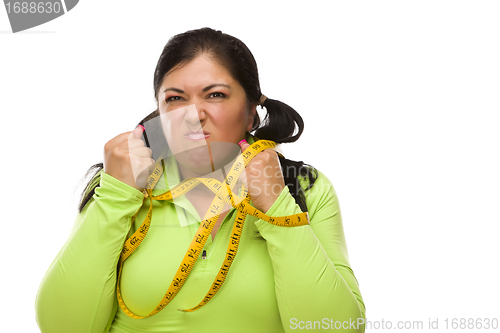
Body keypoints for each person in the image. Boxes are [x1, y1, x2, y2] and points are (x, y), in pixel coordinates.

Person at [35, 27, 366, 333]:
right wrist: (116, 196)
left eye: (216, 95)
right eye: (175, 99)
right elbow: (62, 327)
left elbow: (337, 328)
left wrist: (277, 207)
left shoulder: (304, 186)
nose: (193, 114)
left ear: (251, 111)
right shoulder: (121, 185)